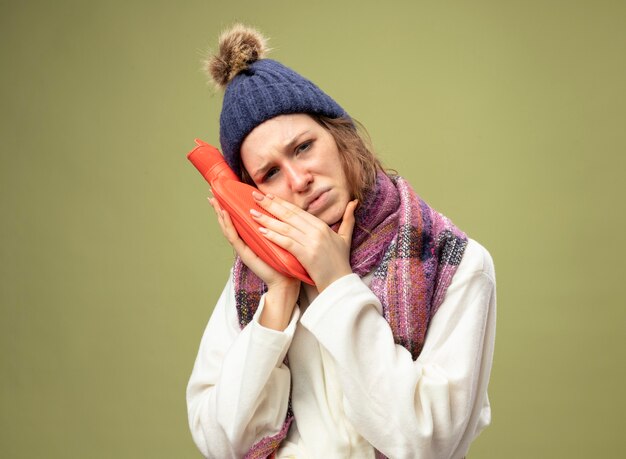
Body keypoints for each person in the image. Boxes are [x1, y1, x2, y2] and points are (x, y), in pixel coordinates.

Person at [186, 24, 496, 459]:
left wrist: (336, 285)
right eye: (269, 174)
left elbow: (427, 442)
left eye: (303, 147)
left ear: (339, 137)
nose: (298, 180)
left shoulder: (453, 263)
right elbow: (220, 443)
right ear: (252, 193)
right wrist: (278, 299)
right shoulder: (254, 286)